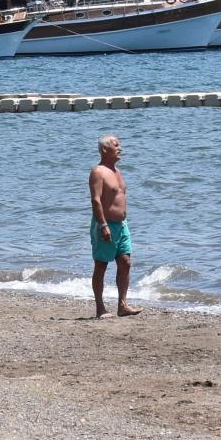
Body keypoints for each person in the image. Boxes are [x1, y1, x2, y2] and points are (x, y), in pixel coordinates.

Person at [87, 134, 138, 319]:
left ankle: (122, 305)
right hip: (105, 224)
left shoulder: (116, 171)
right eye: (116, 145)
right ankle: (100, 308)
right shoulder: (98, 172)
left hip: (122, 225)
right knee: (101, 265)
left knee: (125, 262)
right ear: (104, 150)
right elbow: (96, 200)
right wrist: (102, 225)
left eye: (120, 144)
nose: (120, 148)